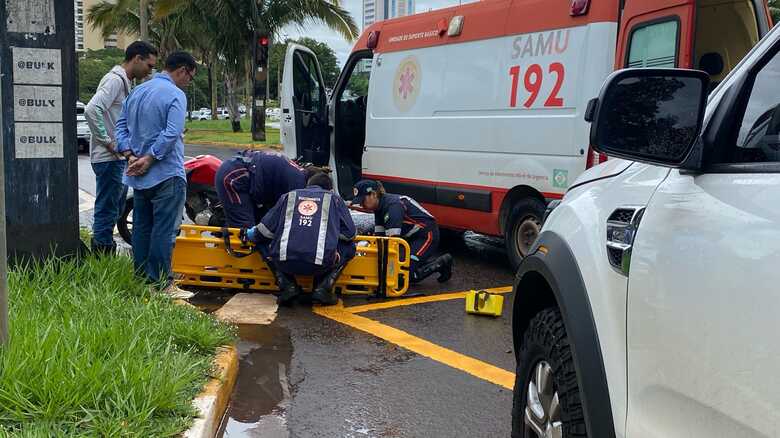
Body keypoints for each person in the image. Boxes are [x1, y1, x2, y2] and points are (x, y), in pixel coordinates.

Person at [115, 51, 196, 296]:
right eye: (190, 77)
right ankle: (162, 284)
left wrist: (130, 155)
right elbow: (172, 133)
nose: (188, 82)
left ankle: (141, 280)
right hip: (166, 173)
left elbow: (120, 126)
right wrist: (150, 158)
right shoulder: (175, 95)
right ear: (182, 70)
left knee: (142, 227)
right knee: (164, 230)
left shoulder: (138, 91)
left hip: (138, 175)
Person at [85, 41, 158, 254]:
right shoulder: (115, 80)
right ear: (137, 58)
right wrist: (109, 142)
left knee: (115, 207)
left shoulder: (124, 82)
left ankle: (103, 249)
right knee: (108, 209)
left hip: (116, 158)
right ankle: (102, 253)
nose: (149, 71)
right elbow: (92, 109)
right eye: (149, 65)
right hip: (108, 158)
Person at [242, 173, 356, 306]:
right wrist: (331, 232)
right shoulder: (335, 199)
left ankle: (287, 286)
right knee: (350, 247)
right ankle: (323, 288)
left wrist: (248, 234)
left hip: (284, 263)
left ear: (307, 186)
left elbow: (263, 231)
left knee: (260, 242)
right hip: (321, 264)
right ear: (329, 189)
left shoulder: (288, 196)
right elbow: (350, 234)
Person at [351, 180, 452, 284]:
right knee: (398, 267)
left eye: (363, 200)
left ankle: (442, 263)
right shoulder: (379, 208)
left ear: (373, 194)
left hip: (426, 235)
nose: (361, 204)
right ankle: (418, 263)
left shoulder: (393, 206)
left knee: (402, 276)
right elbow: (380, 238)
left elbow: (392, 244)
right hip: (411, 236)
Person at [215, 150, 325, 228]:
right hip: (234, 178)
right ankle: (235, 259)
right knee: (244, 230)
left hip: (243, 172)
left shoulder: (298, 173)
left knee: (260, 222)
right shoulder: (298, 184)